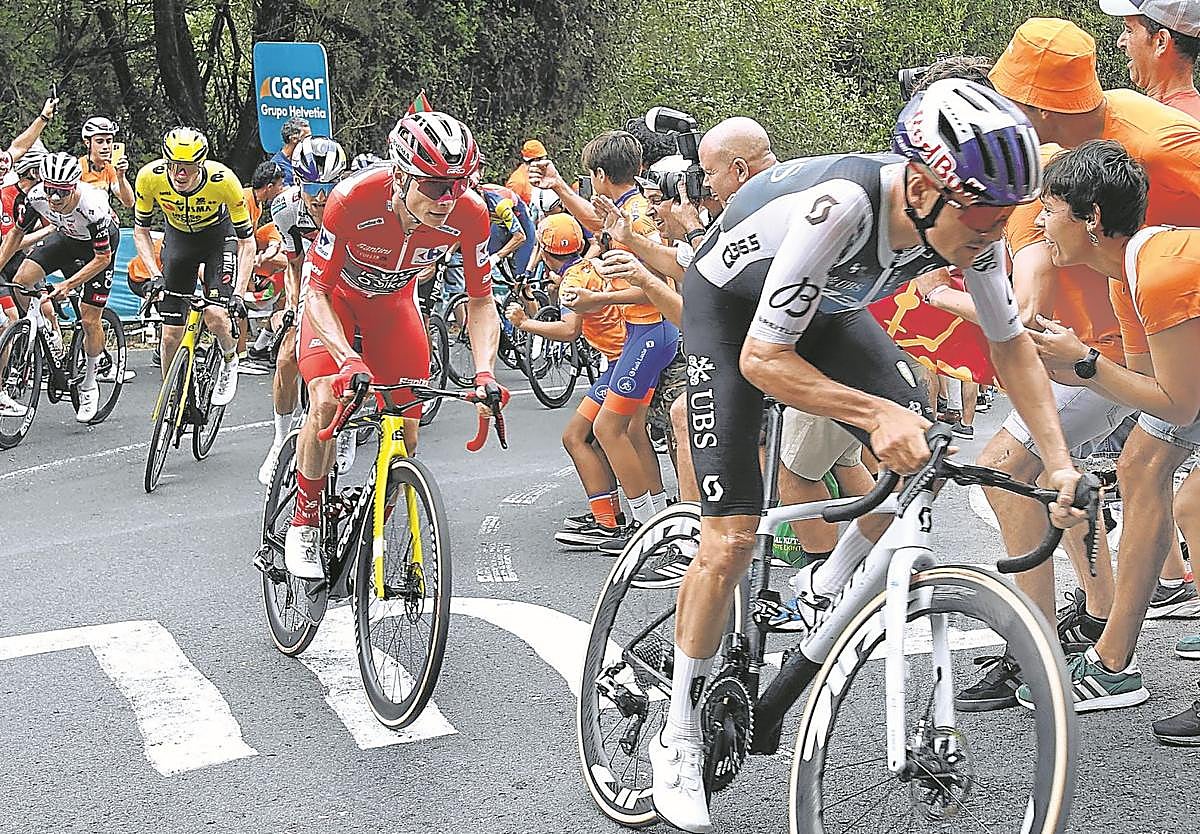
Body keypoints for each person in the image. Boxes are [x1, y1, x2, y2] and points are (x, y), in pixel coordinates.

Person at [650, 80, 1084, 833]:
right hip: (734, 315)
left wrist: (1059, 462)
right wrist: (872, 410)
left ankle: (828, 576)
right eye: (982, 217)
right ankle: (678, 735)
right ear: (921, 186)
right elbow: (762, 359)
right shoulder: (843, 205)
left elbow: (1011, 346)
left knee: (924, 455)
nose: (992, 234)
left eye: (1005, 218)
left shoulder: (967, 222)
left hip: (823, 310)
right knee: (732, 537)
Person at [1019, 140, 1200, 730]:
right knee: (1142, 466)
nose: (1040, 223)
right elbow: (1148, 386)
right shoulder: (1128, 274)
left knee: (1193, 505)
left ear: (1091, 217)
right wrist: (1076, 366)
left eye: (1050, 209)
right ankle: (1113, 662)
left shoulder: (1163, 270)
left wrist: (1087, 367)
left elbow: (1178, 402)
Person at [283, 111, 505, 580]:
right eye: (435, 186)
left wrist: (485, 372)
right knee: (325, 397)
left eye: (459, 183)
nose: (448, 199)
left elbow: (482, 302)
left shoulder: (470, 213)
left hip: (393, 310)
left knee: (407, 427)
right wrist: (346, 358)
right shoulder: (353, 198)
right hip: (337, 303)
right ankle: (303, 519)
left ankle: (369, 531)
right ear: (402, 175)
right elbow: (316, 291)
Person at [506, 214, 629, 548]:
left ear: (545, 255)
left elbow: (568, 330)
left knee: (574, 437)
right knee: (597, 439)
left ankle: (609, 525)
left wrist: (525, 324)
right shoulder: (588, 264)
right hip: (623, 356)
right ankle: (609, 513)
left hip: (621, 364)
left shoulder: (572, 281)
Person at [132, 127, 255, 406]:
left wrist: (237, 293)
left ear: (201, 165)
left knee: (214, 313)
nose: (179, 174)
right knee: (170, 335)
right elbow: (141, 231)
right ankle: (173, 399)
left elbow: (247, 243)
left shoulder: (224, 180)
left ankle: (228, 357)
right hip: (179, 240)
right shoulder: (149, 178)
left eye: (187, 167)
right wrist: (154, 274)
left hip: (217, 239)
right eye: (173, 166)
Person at [0, 153, 119, 422]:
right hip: (65, 239)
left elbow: (103, 259)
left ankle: (90, 381)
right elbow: (15, 236)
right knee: (21, 280)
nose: (54, 198)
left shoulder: (93, 206)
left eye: (62, 193)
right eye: (51, 190)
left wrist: (68, 284)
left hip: (98, 250)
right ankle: (44, 329)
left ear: (74, 186)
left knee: (90, 319)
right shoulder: (37, 196)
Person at [257, 136, 348, 486]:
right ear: (297, 181)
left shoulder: (353, 204)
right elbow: (294, 265)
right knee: (285, 359)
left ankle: (348, 431)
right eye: (311, 186)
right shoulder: (284, 208)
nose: (321, 196)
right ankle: (281, 437)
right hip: (313, 272)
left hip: (350, 277)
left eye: (329, 186)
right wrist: (292, 307)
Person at [1101, 0, 1200, 120]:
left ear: (1161, 42)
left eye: (1129, 30)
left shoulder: (1172, 127)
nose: (1120, 42)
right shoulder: (1190, 117)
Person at [480, 182, 535, 276]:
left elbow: (520, 237)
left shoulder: (500, 205)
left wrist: (496, 257)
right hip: (500, 222)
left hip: (521, 222)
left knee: (520, 273)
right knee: (487, 258)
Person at [78, 116, 134, 209]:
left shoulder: (109, 167)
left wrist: (121, 177)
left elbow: (129, 202)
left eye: (109, 141)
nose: (105, 146)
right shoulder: (78, 167)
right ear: (88, 143)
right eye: (99, 141)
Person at [271, 117, 311, 185]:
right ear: (294, 139)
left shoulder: (307, 159)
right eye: (307, 137)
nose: (310, 141)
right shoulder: (276, 165)